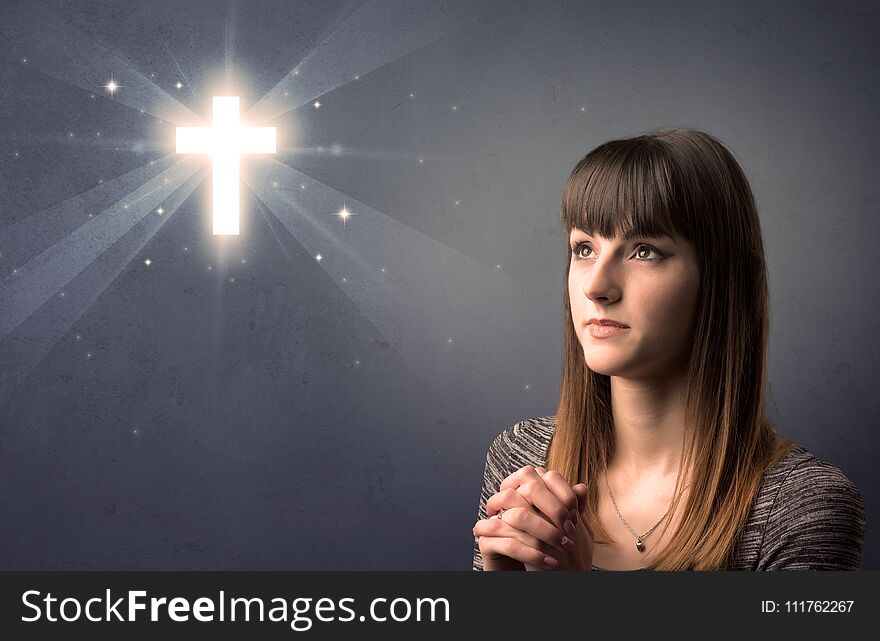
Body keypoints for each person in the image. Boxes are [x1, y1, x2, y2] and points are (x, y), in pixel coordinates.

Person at [472, 128, 865, 571]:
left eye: (644, 252)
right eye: (584, 248)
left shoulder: (801, 509)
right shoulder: (520, 460)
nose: (596, 286)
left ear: (722, 278)